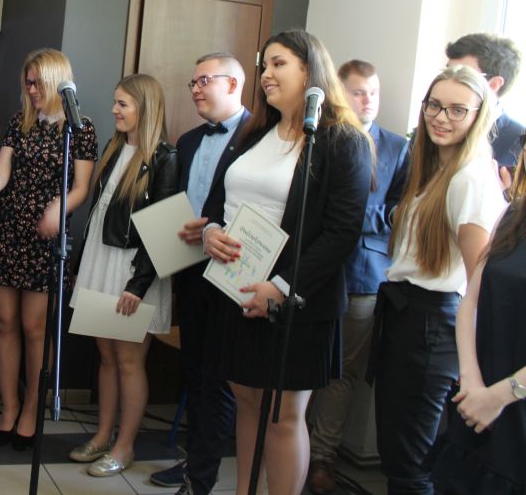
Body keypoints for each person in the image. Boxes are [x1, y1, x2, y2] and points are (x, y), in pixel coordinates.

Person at [203, 29, 372, 495]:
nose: (266, 74)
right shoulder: (256, 132)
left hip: (296, 301)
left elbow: (341, 233)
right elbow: (220, 201)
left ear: (309, 70)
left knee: (281, 415)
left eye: (279, 64)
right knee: (247, 403)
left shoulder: (342, 141)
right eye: (265, 65)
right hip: (238, 289)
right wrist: (212, 232)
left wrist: (280, 287)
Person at [373, 65, 506, 495]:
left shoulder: (469, 178)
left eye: (456, 110)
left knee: (411, 465)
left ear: (478, 117)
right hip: (407, 316)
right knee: (400, 457)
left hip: (431, 327)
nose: (441, 117)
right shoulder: (433, 171)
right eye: (434, 105)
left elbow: (479, 285)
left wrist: (472, 370)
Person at [0, 48, 98, 449]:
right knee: (4, 321)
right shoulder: (20, 122)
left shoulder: (80, 128)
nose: (31, 90)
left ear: (57, 81)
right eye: (27, 83)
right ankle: (9, 405)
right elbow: (2, 168)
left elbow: (81, 187)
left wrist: (58, 209)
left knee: (34, 328)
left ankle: (32, 406)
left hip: (45, 239)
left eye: (38, 83)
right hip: (8, 232)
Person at [306, 59, 408, 494]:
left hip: (364, 275)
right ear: (340, 94)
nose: (368, 101)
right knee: (301, 361)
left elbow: (400, 213)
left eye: (374, 93)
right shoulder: (321, 137)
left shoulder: (399, 148)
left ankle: (322, 457)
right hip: (312, 269)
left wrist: (347, 217)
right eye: (359, 92)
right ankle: (287, 442)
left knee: (342, 373)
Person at [68, 73, 178, 476]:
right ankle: (102, 436)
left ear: (145, 108)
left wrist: (138, 284)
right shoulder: (115, 148)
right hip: (102, 261)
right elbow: (99, 217)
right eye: (115, 102)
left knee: (130, 360)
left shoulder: (166, 158)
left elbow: (164, 230)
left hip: (133, 271)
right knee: (106, 356)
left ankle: (124, 445)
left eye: (123, 104)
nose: (114, 110)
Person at [151, 52, 250, 494]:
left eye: (203, 81)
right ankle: (194, 464)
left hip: (231, 269)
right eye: (192, 82)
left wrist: (213, 229)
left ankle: (202, 478)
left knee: (218, 382)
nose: (195, 89)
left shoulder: (258, 137)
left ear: (232, 84)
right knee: (193, 371)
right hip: (189, 268)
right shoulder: (188, 140)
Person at [429, 144, 526, 494]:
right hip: (478, 392)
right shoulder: (514, 213)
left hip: (512, 403)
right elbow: (471, 299)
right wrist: (471, 379)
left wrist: (500, 396)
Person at [445, 32, 524, 171]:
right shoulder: (433, 121)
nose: (447, 82)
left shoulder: (519, 143)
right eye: (447, 72)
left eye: (463, 75)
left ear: (493, 84)